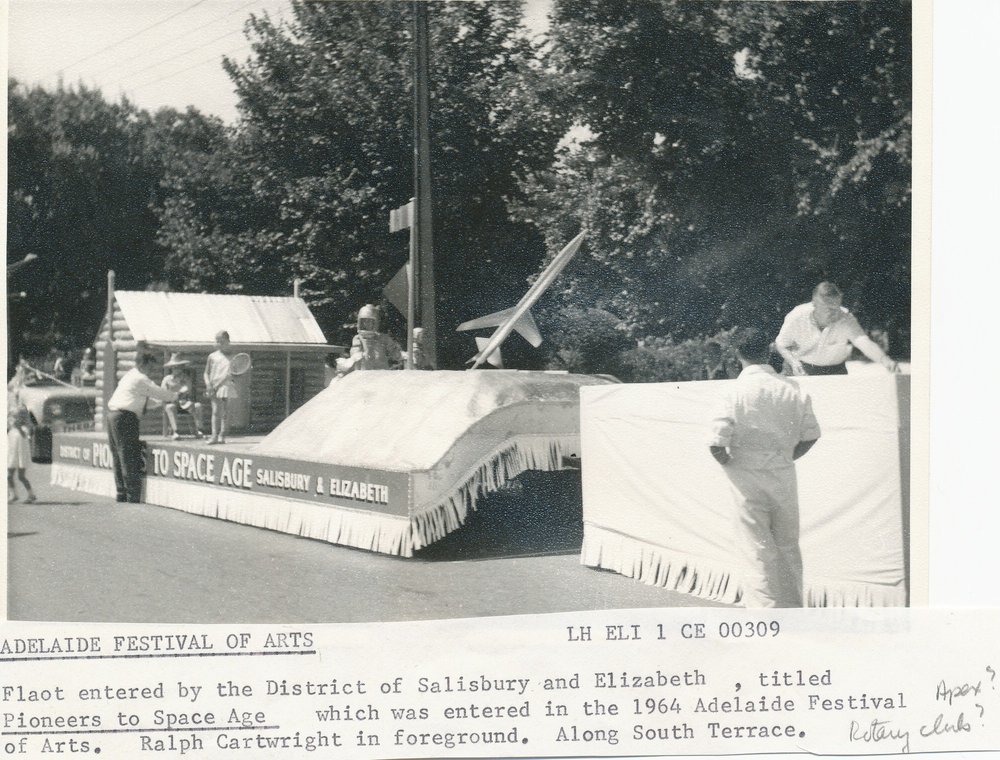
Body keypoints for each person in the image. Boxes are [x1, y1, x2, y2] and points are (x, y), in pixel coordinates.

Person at [708, 328, 821, 608]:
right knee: (787, 546)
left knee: (756, 548)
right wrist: (783, 457)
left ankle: (764, 619)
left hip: (745, 476)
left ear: (738, 354)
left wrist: (732, 464)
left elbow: (715, 444)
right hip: (782, 472)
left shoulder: (732, 391)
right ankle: (793, 612)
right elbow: (811, 436)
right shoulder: (794, 389)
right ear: (768, 351)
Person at [774, 281, 899, 376]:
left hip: (835, 370)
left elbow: (863, 342)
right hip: (801, 368)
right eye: (829, 308)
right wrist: (792, 361)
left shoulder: (845, 317)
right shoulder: (797, 316)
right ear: (814, 303)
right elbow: (781, 344)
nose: (835, 313)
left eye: (837, 307)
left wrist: (885, 360)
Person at [106, 352, 178, 503]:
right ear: (142, 365)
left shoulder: (130, 375)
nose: (152, 372)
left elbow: (145, 402)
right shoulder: (141, 379)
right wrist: (176, 396)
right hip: (125, 418)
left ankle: (122, 493)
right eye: (150, 368)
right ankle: (133, 496)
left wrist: (162, 402)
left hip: (114, 415)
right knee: (128, 455)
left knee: (119, 456)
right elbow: (159, 393)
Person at [344, 304, 402, 373]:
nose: (367, 324)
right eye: (364, 321)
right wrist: (360, 354)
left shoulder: (384, 338)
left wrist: (400, 354)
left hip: (382, 375)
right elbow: (355, 355)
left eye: (370, 321)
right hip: (365, 375)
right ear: (360, 322)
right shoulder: (358, 339)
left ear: (375, 323)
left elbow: (396, 354)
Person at [204, 330, 237, 445]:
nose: (219, 344)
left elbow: (234, 373)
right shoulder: (212, 356)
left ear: (228, 341)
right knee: (215, 411)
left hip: (226, 386)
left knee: (225, 412)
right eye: (217, 341)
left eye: (222, 341)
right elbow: (206, 373)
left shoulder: (233, 357)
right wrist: (208, 384)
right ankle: (213, 436)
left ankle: (222, 435)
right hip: (213, 387)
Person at [161, 353, 204, 440]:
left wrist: (183, 389)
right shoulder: (167, 379)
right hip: (172, 402)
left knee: (197, 406)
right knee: (171, 407)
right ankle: (175, 432)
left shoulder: (186, 378)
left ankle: (198, 430)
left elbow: (189, 391)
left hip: (184, 403)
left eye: (179, 366)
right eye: (175, 367)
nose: (177, 369)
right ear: (172, 368)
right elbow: (163, 393)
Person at [7, 404, 37, 504]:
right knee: (8, 475)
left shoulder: (24, 429)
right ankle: (13, 495)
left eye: (16, 417)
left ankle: (31, 494)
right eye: (13, 417)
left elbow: (25, 435)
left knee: (21, 477)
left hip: (20, 457)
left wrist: (19, 427)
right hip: (12, 455)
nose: (14, 419)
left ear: (22, 417)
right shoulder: (11, 429)